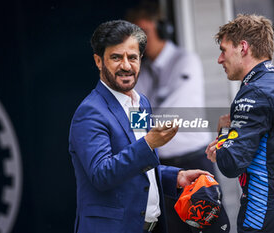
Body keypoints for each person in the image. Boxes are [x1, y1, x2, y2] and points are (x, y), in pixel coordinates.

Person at [68, 20, 210, 233]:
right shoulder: (90, 112)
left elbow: (140, 168)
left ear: (141, 59)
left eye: (132, 57)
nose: (126, 65)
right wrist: (149, 143)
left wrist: (175, 177)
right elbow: (101, 174)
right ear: (99, 61)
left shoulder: (141, 102)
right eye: (116, 57)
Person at [205, 14, 274, 233]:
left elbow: (230, 163)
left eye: (224, 50)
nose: (220, 59)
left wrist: (224, 133)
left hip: (263, 217)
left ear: (243, 47)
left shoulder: (255, 92)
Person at [126, 2, 215, 232]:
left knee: (205, 228)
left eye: (144, 30)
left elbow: (170, 116)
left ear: (161, 29)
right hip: (161, 168)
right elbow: (131, 111)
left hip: (193, 163)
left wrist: (139, 126)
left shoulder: (185, 61)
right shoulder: (142, 72)